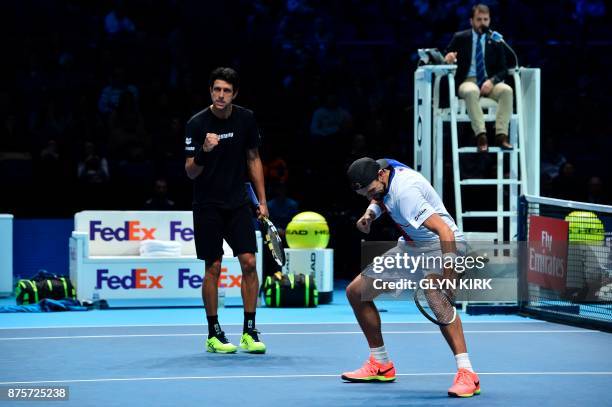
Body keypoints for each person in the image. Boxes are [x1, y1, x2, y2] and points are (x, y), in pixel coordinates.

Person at [342, 157, 481, 398]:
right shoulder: (384, 168)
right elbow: (379, 198)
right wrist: (370, 214)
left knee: (436, 297)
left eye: (371, 191)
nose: (370, 196)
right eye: (365, 194)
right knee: (356, 292)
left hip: (443, 245)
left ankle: (468, 373)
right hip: (411, 247)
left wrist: (448, 274)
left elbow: (444, 230)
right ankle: (381, 363)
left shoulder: (407, 195)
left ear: (382, 175)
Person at [184, 67, 267, 354]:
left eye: (227, 91)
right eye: (217, 89)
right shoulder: (196, 124)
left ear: (235, 94)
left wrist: (262, 201)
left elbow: (253, 159)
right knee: (214, 267)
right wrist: (204, 151)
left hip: (238, 203)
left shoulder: (246, 119)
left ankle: (249, 330)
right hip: (207, 205)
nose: (221, 95)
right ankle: (213, 332)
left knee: (249, 263)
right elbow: (191, 173)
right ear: (210, 91)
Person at [444, 3, 513, 152]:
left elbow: (504, 69)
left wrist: (492, 81)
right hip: (468, 81)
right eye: (479, 19)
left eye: (486, 19)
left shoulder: (495, 39)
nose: (483, 23)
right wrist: (448, 58)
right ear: (471, 21)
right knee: (471, 91)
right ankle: (481, 135)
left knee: (507, 90)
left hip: (489, 81)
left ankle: (501, 135)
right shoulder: (460, 37)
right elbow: (446, 56)